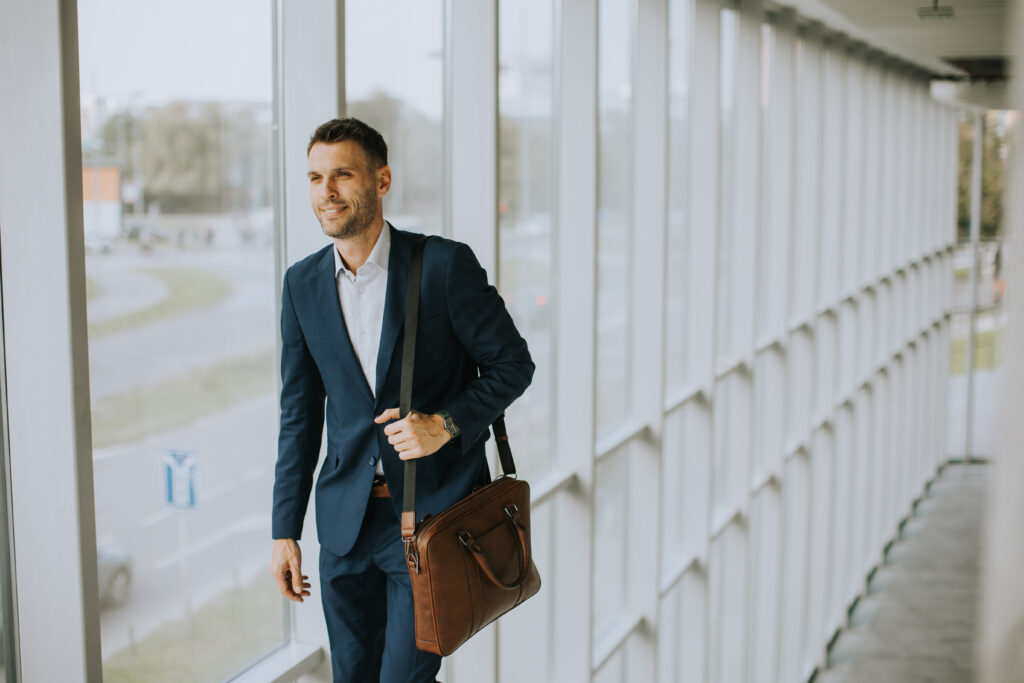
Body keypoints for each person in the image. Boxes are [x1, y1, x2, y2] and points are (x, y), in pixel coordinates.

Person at [268, 118, 534, 683]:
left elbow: (515, 363)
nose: (326, 192)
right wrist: (283, 530)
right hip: (343, 529)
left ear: (381, 180)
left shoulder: (442, 266)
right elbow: (299, 417)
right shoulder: (301, 285)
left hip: (430, 522)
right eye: (315, 178)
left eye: (342, 174)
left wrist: (446, 423)